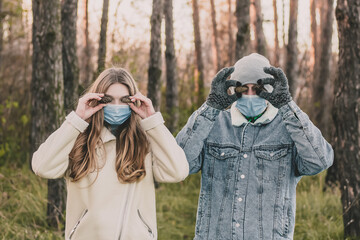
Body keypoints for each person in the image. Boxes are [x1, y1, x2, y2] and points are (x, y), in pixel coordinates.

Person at [176, 53, 333, 240]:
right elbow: (178, 162)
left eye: (257, 88)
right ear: (234, 90)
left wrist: (287, 106)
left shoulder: (289, 128)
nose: (250, 95)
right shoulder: (213, 124)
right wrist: (210, 107)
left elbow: (320, 160)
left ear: (268, 89)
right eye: (243, 88)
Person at [32, 68, 189, 240]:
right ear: (96, 100)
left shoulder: (145, 141)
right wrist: (77, 119)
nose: (116, 107)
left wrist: (152, 121)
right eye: (108, 100)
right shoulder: (78, 138)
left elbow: (178, 171)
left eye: (124, 100)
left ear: (133, 101)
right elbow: (42, 167)